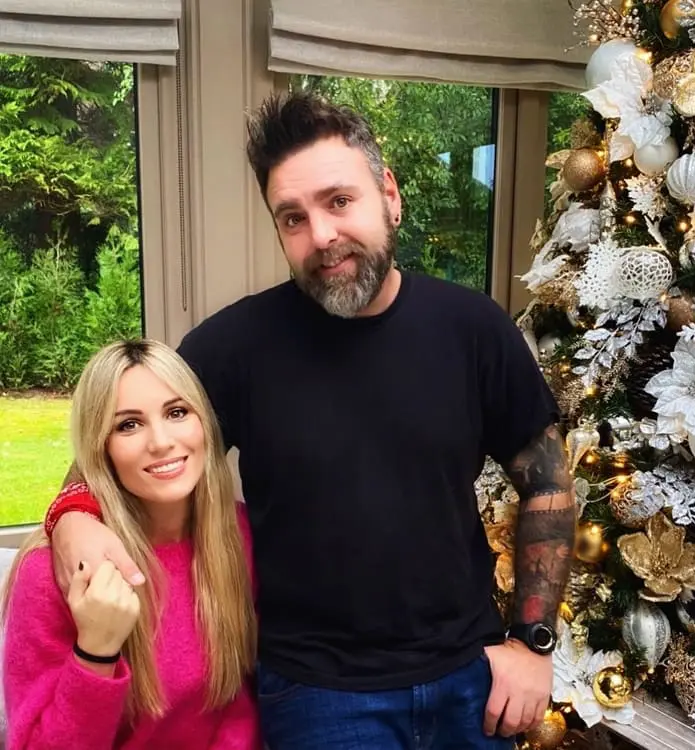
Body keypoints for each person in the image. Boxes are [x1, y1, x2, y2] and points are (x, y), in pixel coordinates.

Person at [44, 92, 575, 749]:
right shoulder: (235, 347)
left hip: (472, 676)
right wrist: (70, 521)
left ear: (390, 195)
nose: (320, 235)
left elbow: (548, 484)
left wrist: (533, 642)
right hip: (317, 695)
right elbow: (116, 447)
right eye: (292, 218)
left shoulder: (473, 329)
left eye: (339, 201)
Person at [2, 339, 260, 749]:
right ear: (100, 447)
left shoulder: (236, 535)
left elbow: (236, 707)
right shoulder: (52, 573)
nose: (161, 442)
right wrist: (97, 652)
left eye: (177, 413)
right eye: (128, 424)